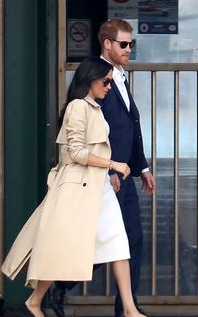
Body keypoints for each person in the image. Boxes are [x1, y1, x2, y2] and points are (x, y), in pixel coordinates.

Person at [1, 57, 145, 317]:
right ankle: (35, 300)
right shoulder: (78, 107)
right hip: (79, 189)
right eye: (105, 82)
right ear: (90, 79)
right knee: (62, 248)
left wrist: (108, 171)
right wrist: (114, 164)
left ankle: (130, 309)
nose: (109, 87)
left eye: (111, 82)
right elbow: (77, 152)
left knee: (118, 245)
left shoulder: (93, 107)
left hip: (97, 186)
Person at [50, 19, 155, 317]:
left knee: (131, 239)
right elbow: (86, 128)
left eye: (131, 44)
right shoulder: (96, 74)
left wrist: (142, 167)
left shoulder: (118, 76)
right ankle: (59, 284)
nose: (129, 49)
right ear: (107, 44)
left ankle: (126, 308)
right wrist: (108, 170)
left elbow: (130, 125)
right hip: (104, 175)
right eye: (123, 44)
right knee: (101, 240)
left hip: (122, 172)